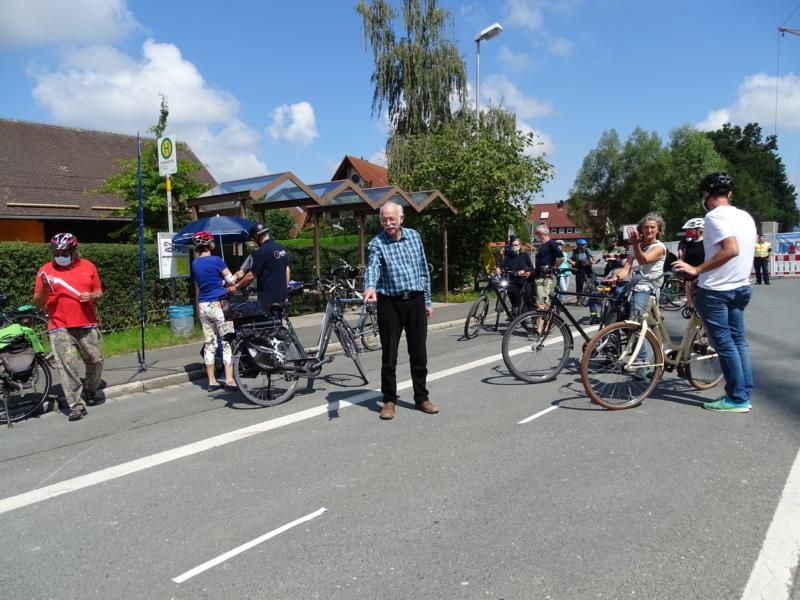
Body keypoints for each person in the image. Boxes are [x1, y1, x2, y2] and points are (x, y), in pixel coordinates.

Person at [673, 172, 757, 413]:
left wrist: (696, 268)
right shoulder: (745, 217)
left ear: (706, 195)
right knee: (739, 342)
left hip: (717, 290)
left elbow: (731, 249)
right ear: (729, 194)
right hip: (741, 287)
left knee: (725, 345)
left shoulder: (713, 216)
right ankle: (743, 393)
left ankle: (736, 398)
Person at [363, 201, 437, 420]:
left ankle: (422, 398)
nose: (388, 224)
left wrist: (428, 301)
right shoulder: (377, 242)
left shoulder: (414, 237)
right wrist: (370, 287)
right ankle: (389, 400)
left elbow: (423, 270)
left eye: (391, 219)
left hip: (415, 300)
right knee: (390, 354)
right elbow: (373, 266)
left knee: (418, 353)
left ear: (401, 218)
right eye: (384, 220)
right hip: (389, 303)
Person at [32, 233, 103, 421]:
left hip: (86, 323)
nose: (59, 255)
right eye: (56, 252)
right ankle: (76, 405)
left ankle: (89, 389)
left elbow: (99, 291)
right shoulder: (45, 271)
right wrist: (46, 288)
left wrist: (93, 296)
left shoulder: (87, 266)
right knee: (67, 365)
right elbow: (38, 303)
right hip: (59, 325)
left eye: (64, 252)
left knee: (96, 360)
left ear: (74, 251)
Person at [190, 231, 237, 392]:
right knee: (227, 341)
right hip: (220, 304)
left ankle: (212, 381)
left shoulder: (195, 263)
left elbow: (205, 281)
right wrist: (228, 279)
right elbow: (230, 280)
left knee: (209, 343)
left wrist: (219, 280)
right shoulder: (217, 260)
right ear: (209, 244)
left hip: (203, 305)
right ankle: (230, 380)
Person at [607, 213, 667, 320]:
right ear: (641, 229)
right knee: (611, 310)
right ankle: (612, 334)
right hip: (633, 284)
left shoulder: (659, 247)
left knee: (635, 319)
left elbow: (643, 260)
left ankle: (638, 334)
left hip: (648, 286)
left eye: (652, 227)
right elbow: (626, 268)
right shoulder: (636, 246)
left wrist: (635, 245)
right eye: (646, 227)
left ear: (658, 230)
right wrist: (615, 277)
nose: (649, 230)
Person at [227, 223, 289, 313]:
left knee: (267, 323)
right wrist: (285, 289)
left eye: (253, 239)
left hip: (268, 297)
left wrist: (236, 286)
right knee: (277, 323)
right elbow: (287, 270)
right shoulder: (281, 248)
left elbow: (251, 275)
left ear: (257, 236)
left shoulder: (261, 252)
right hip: (281, 295)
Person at [532, 225, 564, 332]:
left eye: (537, 234)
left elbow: (561, 258)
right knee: (542, 302)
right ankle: (543, 327)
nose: (536, 236)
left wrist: (553, 268)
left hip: (546, 277)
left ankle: (540, 328)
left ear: (542, 234)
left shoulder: (551, 244)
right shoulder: (543, 245)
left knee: (542, 303)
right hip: (539, 276)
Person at [495, 237, 533, 313]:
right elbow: (502, 264)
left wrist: (524, 270)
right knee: (510, 293)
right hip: (512, 279)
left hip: (522, 279)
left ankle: (529, 313)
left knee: (526, 296)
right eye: (513, 245)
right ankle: (514, 309)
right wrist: (498, 267)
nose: (514, 247)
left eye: (516, 245)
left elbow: (531, 267)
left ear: (520, 246)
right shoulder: (509, 255)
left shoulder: (524, 255)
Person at [677, 218, 705, 310]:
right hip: (689, 280)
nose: (688, 232)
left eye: (690, 229)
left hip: (702, 279)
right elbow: (682, 258)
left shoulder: (706, 244)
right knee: (691, 308)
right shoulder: (687, 244)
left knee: (702, 308)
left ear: (699, 230)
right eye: (687, 230)